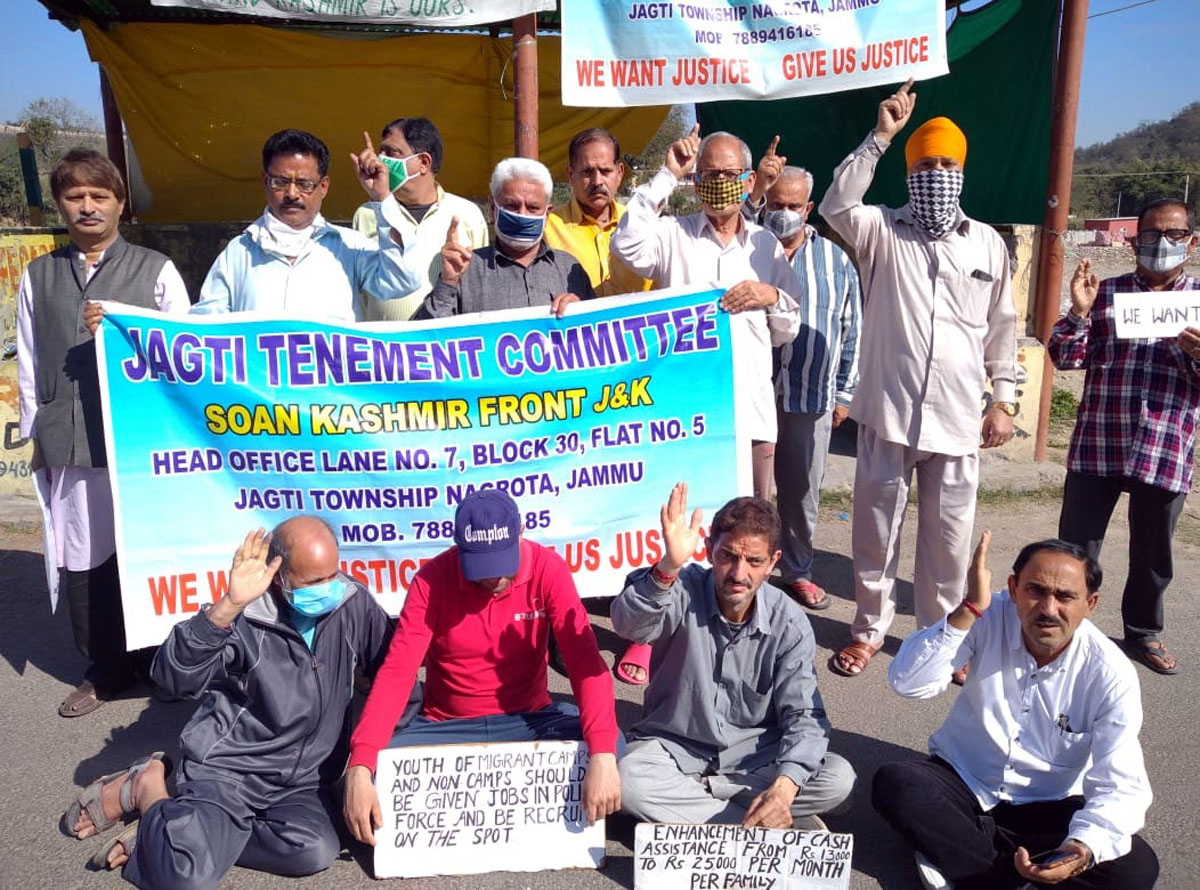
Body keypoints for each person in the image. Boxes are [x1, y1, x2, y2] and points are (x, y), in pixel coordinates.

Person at [61, 518, 417, 886]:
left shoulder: (351, 602)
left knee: (313, 850)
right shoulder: (245, 614)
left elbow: (396, 679)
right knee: (183, 879)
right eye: (313, 582)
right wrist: (227, 606)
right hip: (231, 773)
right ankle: (150, 789)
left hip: (305, 780)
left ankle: (181, 832)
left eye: (333, 575)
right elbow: (172, 678)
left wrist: (369, 764)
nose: (328, 590)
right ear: (278, 576)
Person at [819, 78, 1017, 677]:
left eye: (946, 163)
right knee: (875, 536)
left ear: (962, 170)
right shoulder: (881, 230)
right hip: (887, 413)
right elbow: (834, 206)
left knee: (948, 544)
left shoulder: (986, 242)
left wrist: (1003, 400)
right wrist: (882, 138)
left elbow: (1002, 326)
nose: (936, 171)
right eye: (925, 162)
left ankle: (940, 640)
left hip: (958, 419)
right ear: (909, 171)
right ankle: (868, 630)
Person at [874, 532, 1159, 890]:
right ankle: (1011, 876)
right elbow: (909, 683)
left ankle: (965, 861)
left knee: (1136, 869)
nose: (1048, 609)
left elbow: (1122, 785)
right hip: (967, 781)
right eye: (1035, 590)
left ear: (1091, 603)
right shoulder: (987, 614)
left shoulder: (1110, 673)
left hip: (1050, 804)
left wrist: (1080, 848)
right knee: (898, 785)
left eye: (1065, 597)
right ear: (1013, 588)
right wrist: (968, 610)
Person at [342, 489, 621, 846]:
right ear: (459, 548)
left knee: (614, 750)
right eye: (481, 568)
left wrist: (601, 754)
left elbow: (586, 665)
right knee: (368, 777)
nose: (493, 579)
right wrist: (361, 764)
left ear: (520, 535)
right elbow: (398, 672)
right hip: (445, 728)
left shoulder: (548, 569)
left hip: (529, 721)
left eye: (502, 564)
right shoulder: (431, 580)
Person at [17, 148, 189, 717]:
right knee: (84, 558)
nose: (88, 207)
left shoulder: (154, 269)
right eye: (75, 197)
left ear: (120, 203)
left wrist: (122, 325)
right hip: (71, 439)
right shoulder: (39, 275)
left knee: (150, 554)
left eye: (100, 196)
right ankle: (105, 671)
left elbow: (183, 350)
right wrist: (34, 426)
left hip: (140, 442)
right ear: (61, 205)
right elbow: (29, 355)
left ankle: (163, 663)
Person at [612, 483, 854, 828]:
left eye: (754, 561)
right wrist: (667, 567)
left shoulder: (789, 621)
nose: (739, 574)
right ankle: (753, 824)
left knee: (838, 779)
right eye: (727, 556)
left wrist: (783, 790)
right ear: (710, 549)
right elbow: (628, 625)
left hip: (754, 758)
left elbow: (803, 713)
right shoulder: (680, 587)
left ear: (772, 563)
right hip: (675, 749)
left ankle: (699, 804)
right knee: (628, 778)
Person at [611, 125, 802, 501]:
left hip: (751, 416)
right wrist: (668, 175)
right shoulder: (671, 235)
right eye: (710, 175)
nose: (719, 183)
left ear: (749, 183)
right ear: (697, 183)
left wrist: (770, 295)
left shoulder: (765, 245)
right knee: (684, 521)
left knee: (750, 528)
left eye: (729, 175)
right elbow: (626, 245)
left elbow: (788, 328)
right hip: (684, 416)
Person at [1050, 198, 1199, 676]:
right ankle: (1065, 629)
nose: (1162, 244)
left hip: (1165, 448)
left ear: (1191, 242)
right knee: (1077, 548)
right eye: (1152, 234)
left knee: (1154, 554)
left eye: (1174, 235)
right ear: (1135, 241)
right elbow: (1066, 358)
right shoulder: (1105, 294)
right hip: (1099, 443)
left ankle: (1142, 633)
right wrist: (1077, 312)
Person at [746, 141, 862, 611]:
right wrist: (756, 191)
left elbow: (852, 328)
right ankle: (745, 570)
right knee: (749, 491)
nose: (784, 214)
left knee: (801, 492)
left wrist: (844, 393)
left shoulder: (836, 263)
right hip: (750, 393)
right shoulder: (749, 249)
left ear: (809, 208)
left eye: (793, 206)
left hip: (810, 395)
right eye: (776, 205)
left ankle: (796, 570)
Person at [191, 128, 421, 322]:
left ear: (324, 186)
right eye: (279, 182)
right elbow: (205, 331)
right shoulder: (238, 253)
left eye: (304, 184)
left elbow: (403, 281)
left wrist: (382, 197)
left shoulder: (348, 247)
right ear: (265, 181)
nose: (292, 194)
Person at [417, 156, 594, 318]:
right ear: (493, 208)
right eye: (512, 205)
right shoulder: (465, 270)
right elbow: (425, 340)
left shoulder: (570, 268)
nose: (522, 215)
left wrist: (582, 315)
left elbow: (599, 336)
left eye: (532, 208)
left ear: (547, 214)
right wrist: (448, 282)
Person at [349, 116, 489, 321]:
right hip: (383, 347)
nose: (380, 159)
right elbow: (359, 291)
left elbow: (479, 285)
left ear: (423, 163)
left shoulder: (466, 214)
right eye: (380, 151)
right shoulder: (368, 214)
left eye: (391, 152)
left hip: (445, 344)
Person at [544, 127, 652, 297]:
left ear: (619, 173)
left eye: (605, 171)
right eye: (587, 172)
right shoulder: (547, 229)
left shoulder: (640, 226)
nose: (597, 181)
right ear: (571, 175)